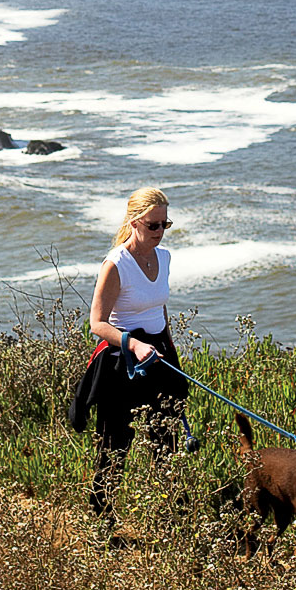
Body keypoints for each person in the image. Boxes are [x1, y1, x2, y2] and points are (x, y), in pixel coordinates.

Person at [75, 186, 190, 522]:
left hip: (159, 355)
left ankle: (173, 518)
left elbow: (159, 309)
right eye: (153, 225)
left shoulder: (164, 258)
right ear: (135, 222)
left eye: (165, 224)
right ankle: (102, 522)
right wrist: (135, 344)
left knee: (166, 440)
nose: (159, 231)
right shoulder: (116, 264)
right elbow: (97, 323)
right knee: (114, 444)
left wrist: (171, 353)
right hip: (122, 362)